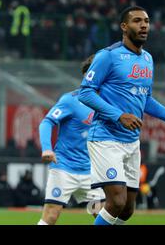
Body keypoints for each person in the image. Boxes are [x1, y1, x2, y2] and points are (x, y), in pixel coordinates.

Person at [79, 6, 165, 225]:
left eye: (146, 21)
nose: (144, 25)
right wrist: (119, 115)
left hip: (131, 142)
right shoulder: (108, 56)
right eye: (137, 21)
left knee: (127, 210)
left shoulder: (147, 59)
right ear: (124, 26)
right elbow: (86, 92)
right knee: (116, 202)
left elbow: (145, 99)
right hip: (105, 138)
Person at [37, 55, 105, 225]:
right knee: (51, 216)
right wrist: (47, 148)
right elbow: (47, 122)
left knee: (103, 217)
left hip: (91, 172)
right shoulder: (71, 100)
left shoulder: (107, 103)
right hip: (64, 169)